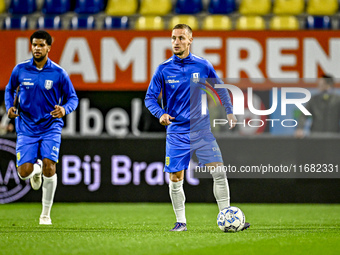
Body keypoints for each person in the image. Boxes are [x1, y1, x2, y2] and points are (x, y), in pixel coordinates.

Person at [145, 24, 250, 231]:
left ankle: (227, 215)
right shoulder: (163, 69)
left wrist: (229, 111)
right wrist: (161, 113)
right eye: (174, 38)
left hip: (202, 131)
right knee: (176, 178)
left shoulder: (203, 65)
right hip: (176, 132)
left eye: (181, 38)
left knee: (219, 172)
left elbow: (220, 88)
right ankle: (181, 222)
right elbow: (149, 99)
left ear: (190, 40)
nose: (176, 42)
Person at [5, 30, 78, 225]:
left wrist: (65, 109)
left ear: (49, 47)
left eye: (41, 45)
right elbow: (9, 89)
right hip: (26, 126)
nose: (37, 48)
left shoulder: (58, 72)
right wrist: (9, 107)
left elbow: (73, 98)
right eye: (34, 45)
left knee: (50, 167)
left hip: (50, 126)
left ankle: (45, 215)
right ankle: (34, 169)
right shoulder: (20, 70)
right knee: (23, 172)